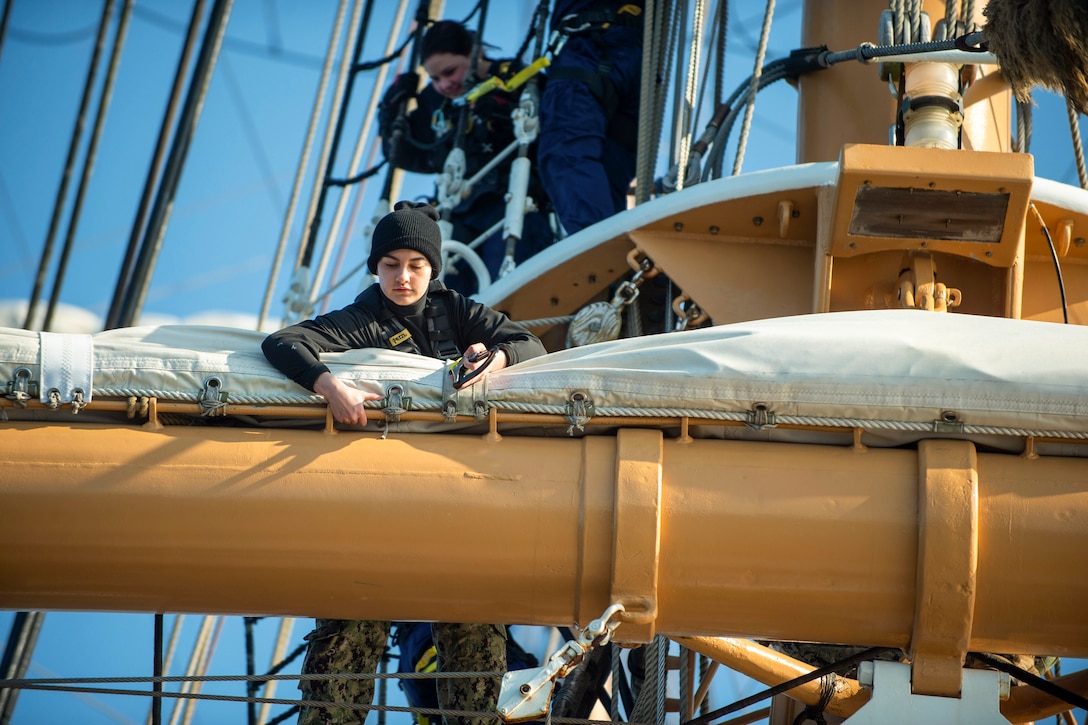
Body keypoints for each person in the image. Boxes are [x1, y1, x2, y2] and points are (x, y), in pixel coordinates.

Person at [262, 201, 547, 725]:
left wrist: (492, 359)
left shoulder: (456, 310)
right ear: (377, 268)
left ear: (432, 269)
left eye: (416, 265)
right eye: (391, 264)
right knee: (352, 627)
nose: (403, 277)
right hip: (381, 495)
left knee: (475, 622)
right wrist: (330, 386)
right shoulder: (364, 318)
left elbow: (529, 343)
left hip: (462, 497)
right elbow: (283, 342)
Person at [379, 20, 555, 294]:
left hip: (510, 204)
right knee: (446, 301)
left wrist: (503, 111)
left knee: (507, 289)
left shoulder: (513, 77)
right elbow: (406, 153)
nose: (444, 84)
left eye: (450, 72)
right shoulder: (434, 103)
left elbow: (553, 130)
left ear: (473, 54)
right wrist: (390, 109)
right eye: (435, 78)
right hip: (456, 215)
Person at [537, 1, 644, 235]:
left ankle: (598, 245)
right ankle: (616, 251)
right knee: (609, 168)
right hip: (638, 54)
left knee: (565, 150)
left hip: (586, 48)